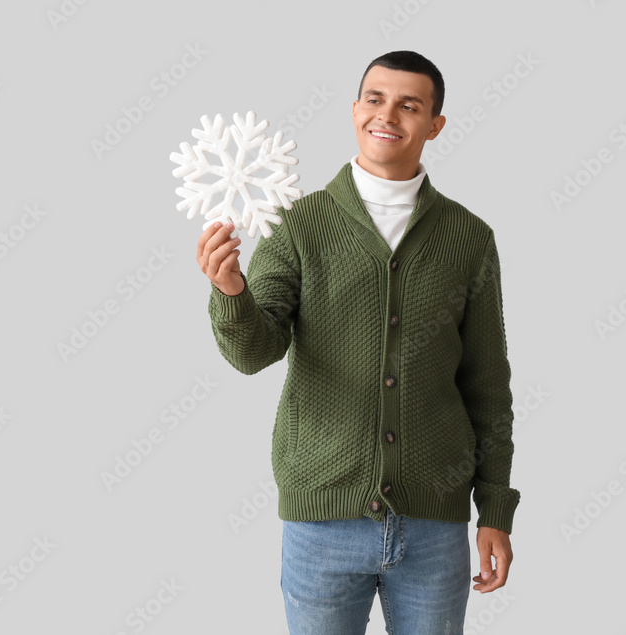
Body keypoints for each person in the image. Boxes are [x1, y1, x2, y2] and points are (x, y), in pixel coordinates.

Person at [196, 50, 520, 633]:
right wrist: (232, 292)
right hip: (322, 524)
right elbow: (252, 353)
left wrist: (494, 509)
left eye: (409, 104)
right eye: (375, 99)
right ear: (354, 110)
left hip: (435, 526)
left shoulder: (469, 238)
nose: (387, 114)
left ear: (434, 125)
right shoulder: (296, 224)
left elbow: (488, 384)